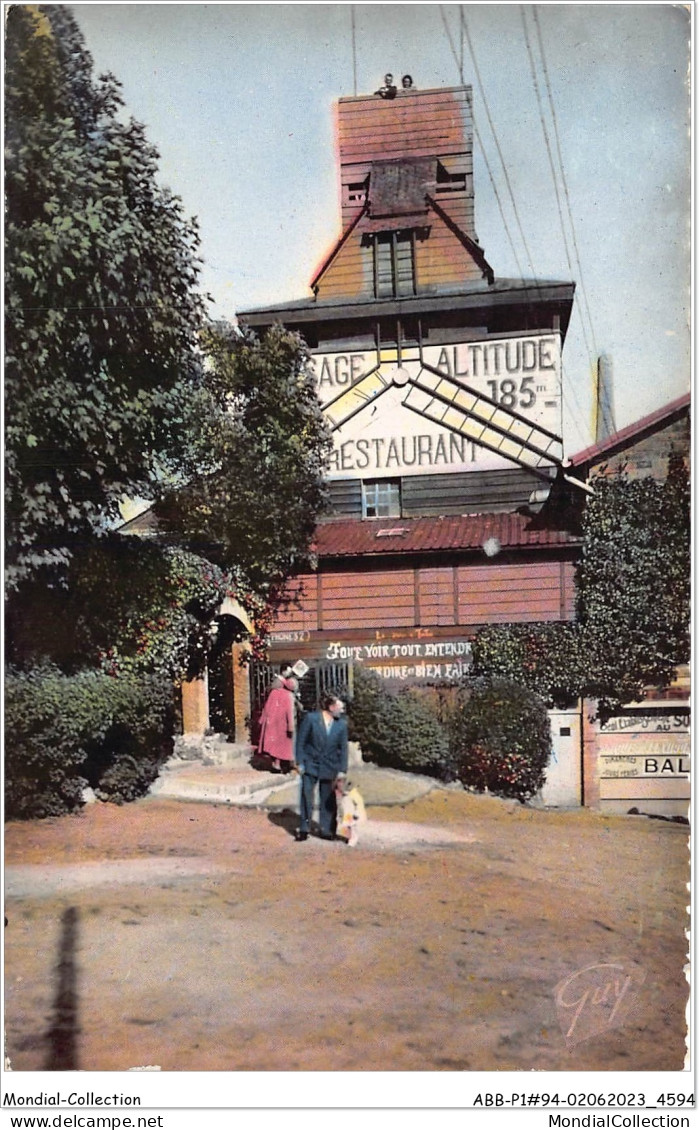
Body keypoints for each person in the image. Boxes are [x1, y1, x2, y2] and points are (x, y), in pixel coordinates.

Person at [294, 694, 348, 841]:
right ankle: (304, 828)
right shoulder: (311, 719)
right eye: (340, 707)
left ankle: (326, 830)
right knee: (306, 796)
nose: (342, 710)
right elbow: (300, 742)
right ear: (331, 707)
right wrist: (299, 762)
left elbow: (343, 749)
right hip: (310, 764)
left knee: (327, 798)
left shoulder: (341, 725)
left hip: (330, 766)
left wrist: (342, 770)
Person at [255, 675, 296, 773]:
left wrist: (261, 721)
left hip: (272, 724)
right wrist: (291, 725)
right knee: (283, 746)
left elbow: (266, 708)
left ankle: (276, 764)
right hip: (283, 725)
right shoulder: (288, 695)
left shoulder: (273, 693)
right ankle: (282, 765)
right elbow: (289, 712)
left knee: (274, 746)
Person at [335, 779, 367, 847]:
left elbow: (359, 805)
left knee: (353, 828)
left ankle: (353, 840)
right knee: (347, 827)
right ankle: (349, 838)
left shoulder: (355, 795)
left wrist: (357, 813)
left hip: (354, 815)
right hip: (348, 815)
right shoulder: (347, 795)